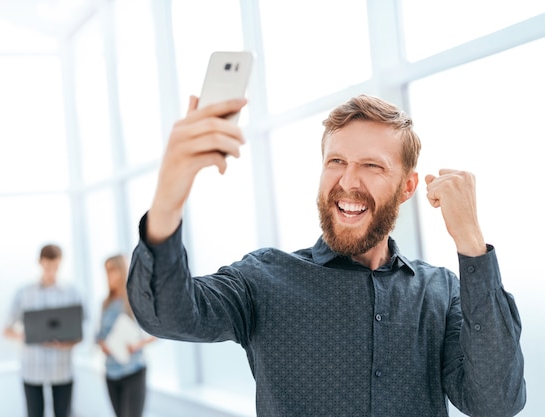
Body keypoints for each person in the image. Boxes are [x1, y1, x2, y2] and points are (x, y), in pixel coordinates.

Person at [126, 94, 526, 416]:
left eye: (372, 165)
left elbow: (495, 402)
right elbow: (166, 315)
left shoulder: (441, 291)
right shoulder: (264, 278)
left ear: (407, 188)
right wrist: (168, 198)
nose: (348, 181)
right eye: (336, 161)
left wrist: (471, 245)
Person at [4, 243, 83, 417]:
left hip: (62, 368)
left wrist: (70, 341)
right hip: (32, 368)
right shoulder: (23, 293)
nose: (51, 271)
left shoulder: (72, 292)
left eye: (55, 267)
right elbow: (6, 329)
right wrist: (29, 334)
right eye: (48, 266)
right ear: (40, 262)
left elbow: (84, 328)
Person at [97, 254, 156, 417]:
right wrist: (102, 344)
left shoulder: (136, 300)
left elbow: (156, 333)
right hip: (111, 373)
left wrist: (136, 345)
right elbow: (99, 334)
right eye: (106, 271)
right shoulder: (105, 303)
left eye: (112, 270)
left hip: (133, 371)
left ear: (122, 271)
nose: (109, 275)